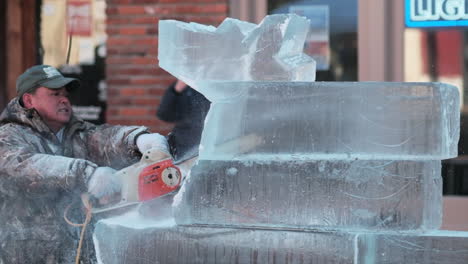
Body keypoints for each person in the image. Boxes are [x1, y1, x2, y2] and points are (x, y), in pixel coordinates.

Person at [0, 65, 169, 263]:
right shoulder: (9, 136)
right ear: (29, 100)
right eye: (55, 94)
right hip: (27, 255)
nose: (64, 99)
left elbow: (106, 138)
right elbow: (24, 166)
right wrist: (87, 174)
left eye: (65, 94)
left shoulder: (76, 133)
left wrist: (138, 139)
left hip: (78, 253)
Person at [157, 79, 210, 163]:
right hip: (182, 147)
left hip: (210, 147)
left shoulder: (217, 87)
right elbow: (164, 114)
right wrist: (176, 90)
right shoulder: (184, 85)